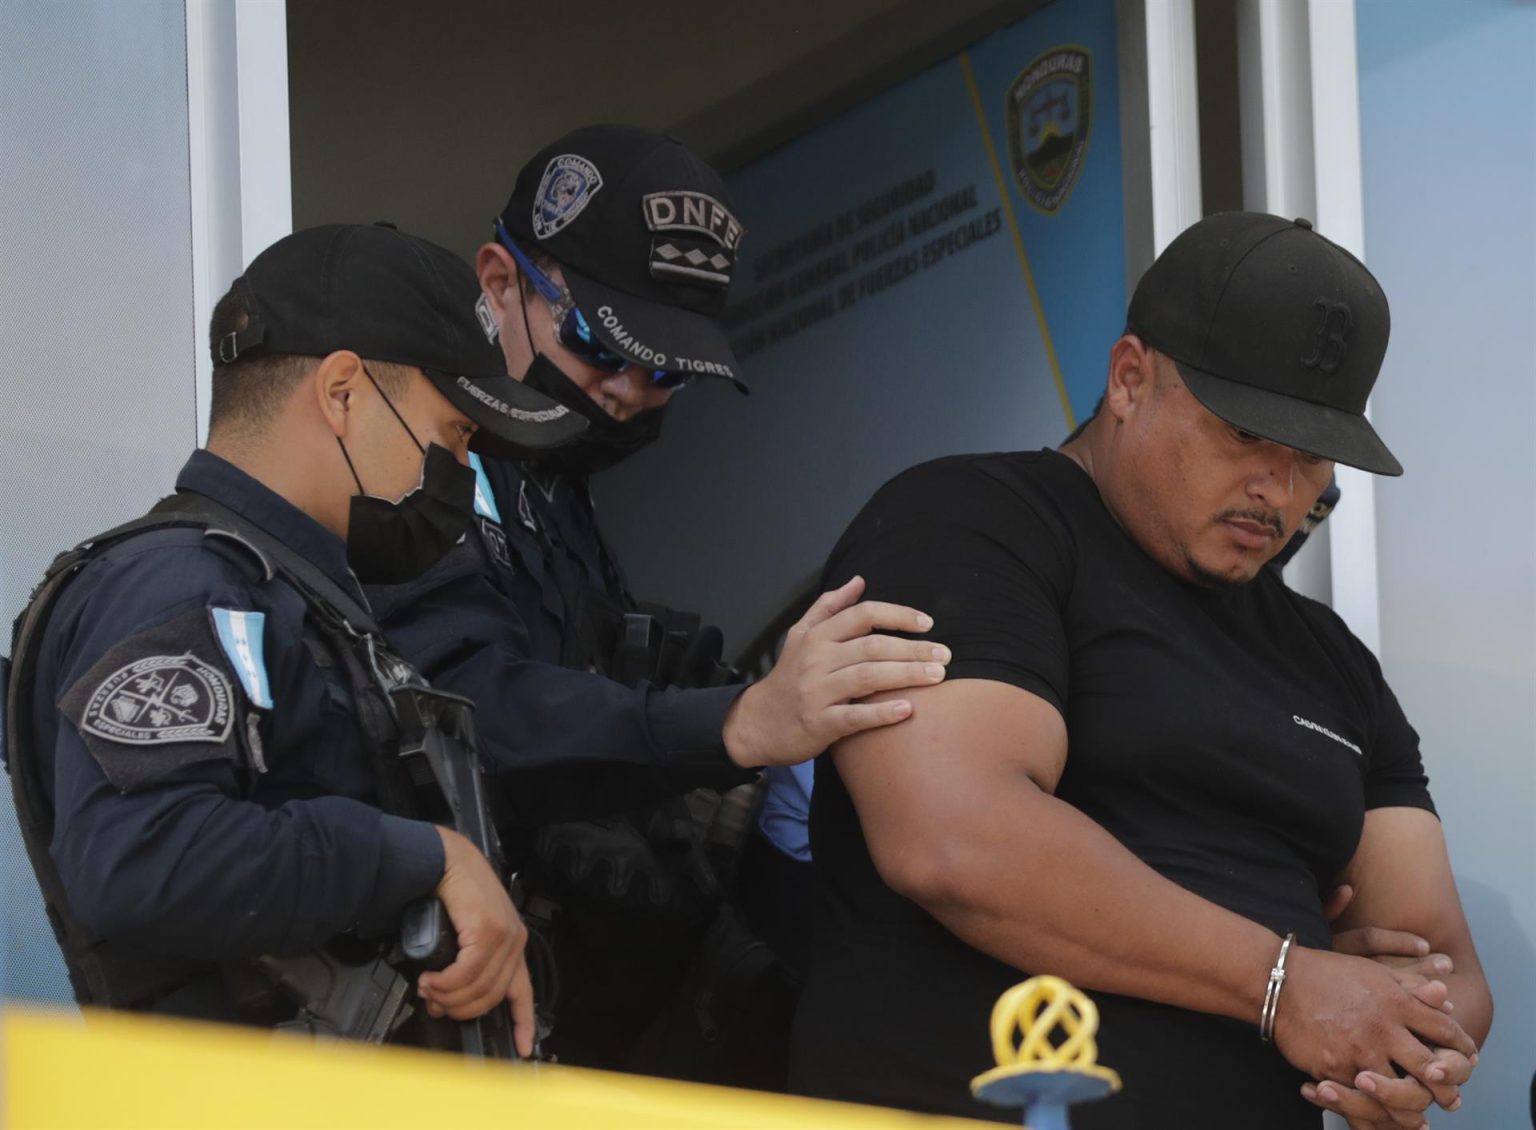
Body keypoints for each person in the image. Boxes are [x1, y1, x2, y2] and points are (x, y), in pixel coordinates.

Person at [789, 212, 1492, 1129]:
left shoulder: (1331, 659)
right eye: (1245, 434)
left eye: (1312, 456)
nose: (1279, 490)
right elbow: (956, 842)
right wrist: (1286, 980)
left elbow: (1447, 969)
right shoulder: (971, 523)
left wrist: (1402, 1044)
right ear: (1130, 379)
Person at [369, 124, 948, 1081]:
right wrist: (733, 724)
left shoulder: (555, 485)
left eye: (669, 369)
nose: (633, 391)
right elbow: (467, 722)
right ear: (499, 282)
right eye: (603, 345)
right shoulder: (412, 462)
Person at [3, 223, 586, 1050]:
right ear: (343, 392)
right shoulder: (184, 585)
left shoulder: (294, 596)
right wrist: (431, 857)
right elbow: (143, 854)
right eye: (453, 433)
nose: (461, 468)